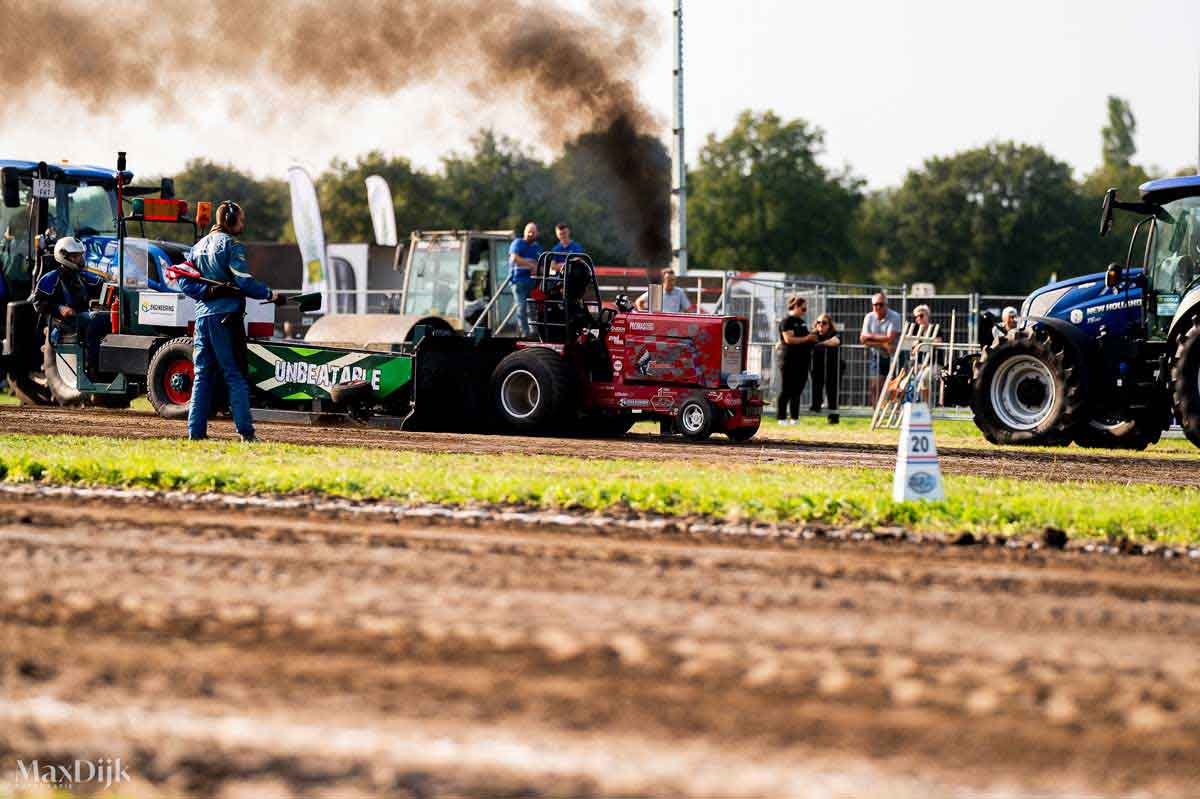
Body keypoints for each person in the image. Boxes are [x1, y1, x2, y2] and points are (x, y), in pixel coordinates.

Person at [177, 201, 278, 442]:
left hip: (203, 320)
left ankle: (195, 433)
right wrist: (269, 294)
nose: (243, 224)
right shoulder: (231, 245)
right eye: (241, 220)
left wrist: (208, 293)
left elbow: (184, 281)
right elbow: (244, 281)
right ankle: (246, 433)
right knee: (234, 375)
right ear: (231, 220)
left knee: (202, 374)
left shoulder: (197, 247)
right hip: (226, 319)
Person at [33, 236, 109, 379]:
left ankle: (107, 367)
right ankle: (94, 370)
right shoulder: (50, 278)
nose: (80, 259)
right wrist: (60, 308)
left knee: (106, 318)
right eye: (75, 256)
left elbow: (100, 283)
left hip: (80, 317)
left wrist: (113, 283)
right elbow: (38, 302)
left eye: (80, 255)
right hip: (63, 322)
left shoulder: (81, 276)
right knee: (97, 320)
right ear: (63, 256)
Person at [776, 294, 816, 425]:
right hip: (789, 360)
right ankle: (781, 418)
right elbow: (789, 339)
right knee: (786, 389)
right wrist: (807, 339)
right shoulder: (787, 321)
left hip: (802, 361)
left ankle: (794, 418)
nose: (804, 312)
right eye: (803, 309)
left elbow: (806, 338)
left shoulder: (802, 323)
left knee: (797, 390)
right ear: (796, 306)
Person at [860, 292, 902, 404]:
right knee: (875, 386)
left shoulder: (895, 316)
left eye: (881, 304)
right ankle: (876, 414)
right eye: (875, 304)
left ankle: (897, 411)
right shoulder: (869, 317)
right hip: (877, 356)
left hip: (895, 356)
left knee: (896, 386)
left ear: (886, 305)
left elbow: (890, 338)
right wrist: (882, 344)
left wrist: (870, 337)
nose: (878, 307)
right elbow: (863, 339)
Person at [508, 222, 542, 336]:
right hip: (518, 282)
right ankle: (525, 334)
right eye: (528, 231)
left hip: (533, 283)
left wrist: (537, 268)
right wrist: (532, 265)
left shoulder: (537, 247)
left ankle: (534, 333)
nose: (530, 234)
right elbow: (515, 258)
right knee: (521, 307)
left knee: (532, 309)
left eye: (533, 231)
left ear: (537, 233)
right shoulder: (518, 243)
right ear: (524, 232)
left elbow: (541, 266)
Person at [808, 313, 841, 423]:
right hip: (816, 368)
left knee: (832, 392)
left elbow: (836, 341)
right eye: (818, 322)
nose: (821, 325)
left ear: (829, 325)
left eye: (824, 323)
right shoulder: (813, 334)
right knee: (816, 388)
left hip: (832, 368)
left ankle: (833, 417)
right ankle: (815, 409)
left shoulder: (834, 333)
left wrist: (820, 344)